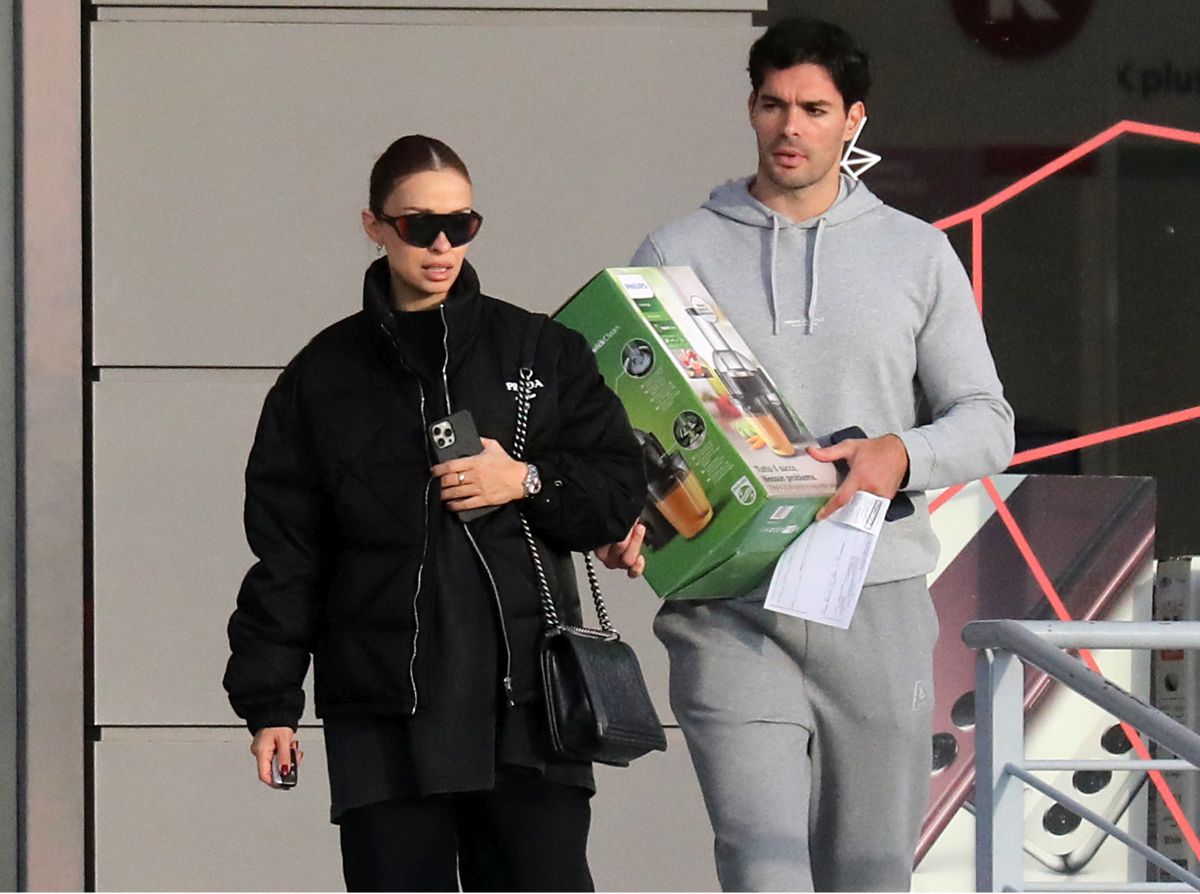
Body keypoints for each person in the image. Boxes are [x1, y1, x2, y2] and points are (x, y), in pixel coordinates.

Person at [597, 18, 1015, 892]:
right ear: (751, 108)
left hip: (876, 598)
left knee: (871, 875)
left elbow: (986, 421)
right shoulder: (677, 252)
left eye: (815, 109)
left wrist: (896, 455)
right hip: (727, 606)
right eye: (773, 104)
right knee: (764, 868)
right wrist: (622, 513)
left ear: (853, 119)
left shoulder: (916, 253)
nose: (790, 127)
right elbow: (622, 429)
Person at [223, 134, 645, 892]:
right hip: (384, 713)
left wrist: (525, 480)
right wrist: (270, 703)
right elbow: (289, 554)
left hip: (528, 703)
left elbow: (616, 491)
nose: (443, 245)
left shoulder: (541, 350)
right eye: (420, 226)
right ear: (375, 225)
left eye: (462, 224)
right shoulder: (321, 377)